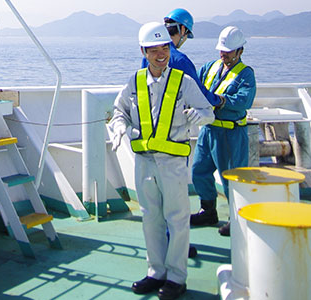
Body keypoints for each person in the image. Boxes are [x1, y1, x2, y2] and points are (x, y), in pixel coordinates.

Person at [108, 22, 214, 300]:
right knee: (150, 218)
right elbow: (119, 111)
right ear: (143, 51)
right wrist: (118, 126)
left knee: (178, 219)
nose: (160, 54)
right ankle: (156, 272)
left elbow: (208, 112)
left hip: (173, 163)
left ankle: (177, 277)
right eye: (154, 49)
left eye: (164, 47)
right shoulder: (134, 82)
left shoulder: (184, 82)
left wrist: (199, 116)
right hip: (144, 162)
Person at [190, 26, 257, 236]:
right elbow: (195, 86)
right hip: (208, 130)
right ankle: (208, 211)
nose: (223, 54)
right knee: (199, 171)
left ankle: (236, 220)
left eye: (228, 51)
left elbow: (244, 100)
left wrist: (221, 100)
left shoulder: (246, 74)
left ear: (240, 51)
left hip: (230, 134)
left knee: (232, 179)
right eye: (221, 50)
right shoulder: (210, 67)